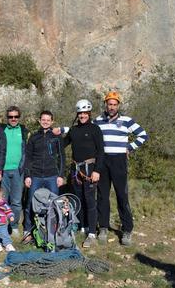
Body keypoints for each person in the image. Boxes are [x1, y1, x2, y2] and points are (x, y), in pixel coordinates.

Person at [95, 91, 148, 245]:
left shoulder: (126, 121)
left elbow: (143, 135)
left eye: (114, 104)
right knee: (103, 196)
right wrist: (62, 130)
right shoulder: (98, 121)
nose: (111, 107)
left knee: (122, 196)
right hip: (103, 161)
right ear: (105, 104)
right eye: (109, 104)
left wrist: (129, 147)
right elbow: (85, 131)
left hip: (119, 161)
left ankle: (127, 230)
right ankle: (103, 227)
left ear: (118, 105)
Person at [63, 99, 104, 248]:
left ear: (89, 113)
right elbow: (62, 144)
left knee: (90, 200)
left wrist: (97, 170)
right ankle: (83, 227)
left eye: (85, 113)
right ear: (77, 114)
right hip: (76, 170)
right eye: (80, 113)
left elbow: (101, 151)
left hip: (90, 169)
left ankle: (92, 232)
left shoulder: (95, 129)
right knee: (78, 200)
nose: (82, 116)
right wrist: (50, 136)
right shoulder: (73, 130)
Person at [23, 110, 65, 239]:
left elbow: (62, 157)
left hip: (52, 176)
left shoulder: (56, 137)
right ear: (39, 120)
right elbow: (28, 157)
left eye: (48, 120)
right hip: (35, 175)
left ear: (52, 122)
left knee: (54, 203)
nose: (45, 122)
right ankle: (28, 229)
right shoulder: (34, 137)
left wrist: (60, 175)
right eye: (43, 119)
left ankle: (54, 229)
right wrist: (27, 175)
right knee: (30, 202)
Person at [0, 106, 28, 237]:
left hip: (18, 170)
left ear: (19, 117)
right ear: (7, 118)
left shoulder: (23, 130)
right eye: (10, 117)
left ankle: (14, 226)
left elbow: (27, 151)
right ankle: (3, 226)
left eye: (16, 116)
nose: (13, 119)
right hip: (3, 170)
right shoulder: (1, 129)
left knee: (16, 201)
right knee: (3, 200)